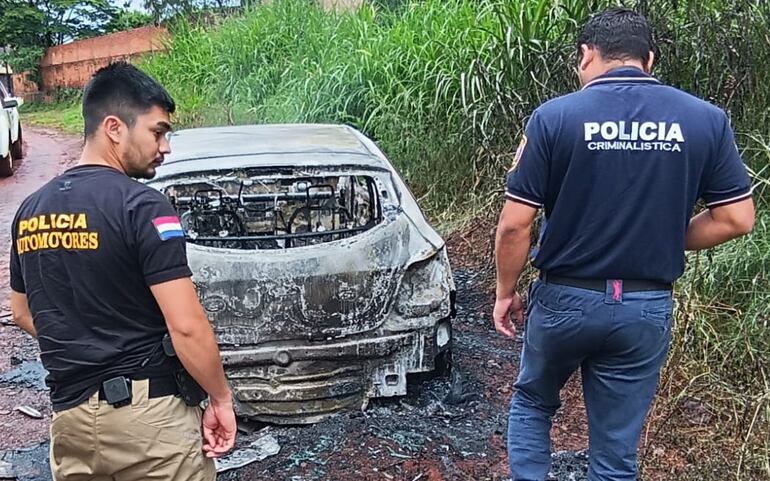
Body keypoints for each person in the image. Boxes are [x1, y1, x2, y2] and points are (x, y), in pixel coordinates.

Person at [493, 8, 754, 481]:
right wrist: (662, 237)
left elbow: (515, 225)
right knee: (615, 456)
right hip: (644, 306)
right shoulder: (705, 120)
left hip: (564, 300)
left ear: (586, 55)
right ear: (648, 59)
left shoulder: (554, 118)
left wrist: (505, 293)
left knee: (534, 403)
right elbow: (736, 218)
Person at [9, 62, 236, 480]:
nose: (164, 147)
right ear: (114, 127)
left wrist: (83, 337)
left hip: (71, 424)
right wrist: (220, 398)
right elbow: (186, 326)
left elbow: (22, 312)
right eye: (157, 131)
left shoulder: (31, 211)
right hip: (150, 425)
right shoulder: (143, 207)